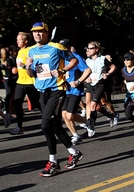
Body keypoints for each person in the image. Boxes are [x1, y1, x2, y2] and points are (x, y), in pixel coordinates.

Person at [25, 22, 83, 177]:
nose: (37, 34)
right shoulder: (31, 51)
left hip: (57, 90)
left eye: (40, 32)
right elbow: (31, 75)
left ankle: (53, 162)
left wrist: (63, 70)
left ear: (46, 32)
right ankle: (74, 152)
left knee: (45, 125)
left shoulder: (56, 47)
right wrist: (28, 67)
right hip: (42, 91)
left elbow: (74, 61)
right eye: (34, 32)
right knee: (55, 126)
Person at [59, 39, 95, 144]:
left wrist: (78, 81)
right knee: (64, 115)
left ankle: (88, 122)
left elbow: (88, 70)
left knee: (70, 115)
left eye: (64, 47)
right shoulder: (60, 59)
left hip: (75, 90)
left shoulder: (76, 57)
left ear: (69, 48)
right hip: (65, 90)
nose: (62, 50)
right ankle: (75, 135)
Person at [11, 32, 41, 135]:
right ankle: (19, 127)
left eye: (19, 40)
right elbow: (19, 67)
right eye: (17, 40)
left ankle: (51, 118)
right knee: (17, 103)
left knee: (36, 103)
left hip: (30, 82)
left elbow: (34, 67)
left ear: (26, 41)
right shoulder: (20, 51)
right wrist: (15, 69)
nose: (17, 41)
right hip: (20, 82)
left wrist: (23, 66)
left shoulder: (30, 51)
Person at [84, 41, 118, 128]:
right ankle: (111, 115)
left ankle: (90, 126)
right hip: (91, 84)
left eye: (91, 48)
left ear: (97, 49)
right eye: (88, 48)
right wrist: (86, 78)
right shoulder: (87, 60)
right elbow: (85, 71)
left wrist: (107, 74)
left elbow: (113, 67)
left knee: (100, 103)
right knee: (96, 107)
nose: (89, 50)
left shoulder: (102, 59)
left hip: (100, 83)